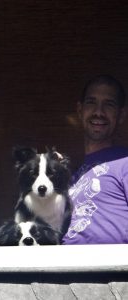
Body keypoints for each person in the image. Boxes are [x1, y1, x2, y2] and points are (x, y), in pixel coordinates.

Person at [62, 74, 128, 244]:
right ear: (80, 110)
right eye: (91, 102)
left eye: (109, 104)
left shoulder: (124, 162)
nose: (99, 112)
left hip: (110, 268)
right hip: (66, 267)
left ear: (121, 115)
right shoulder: (73, 177)